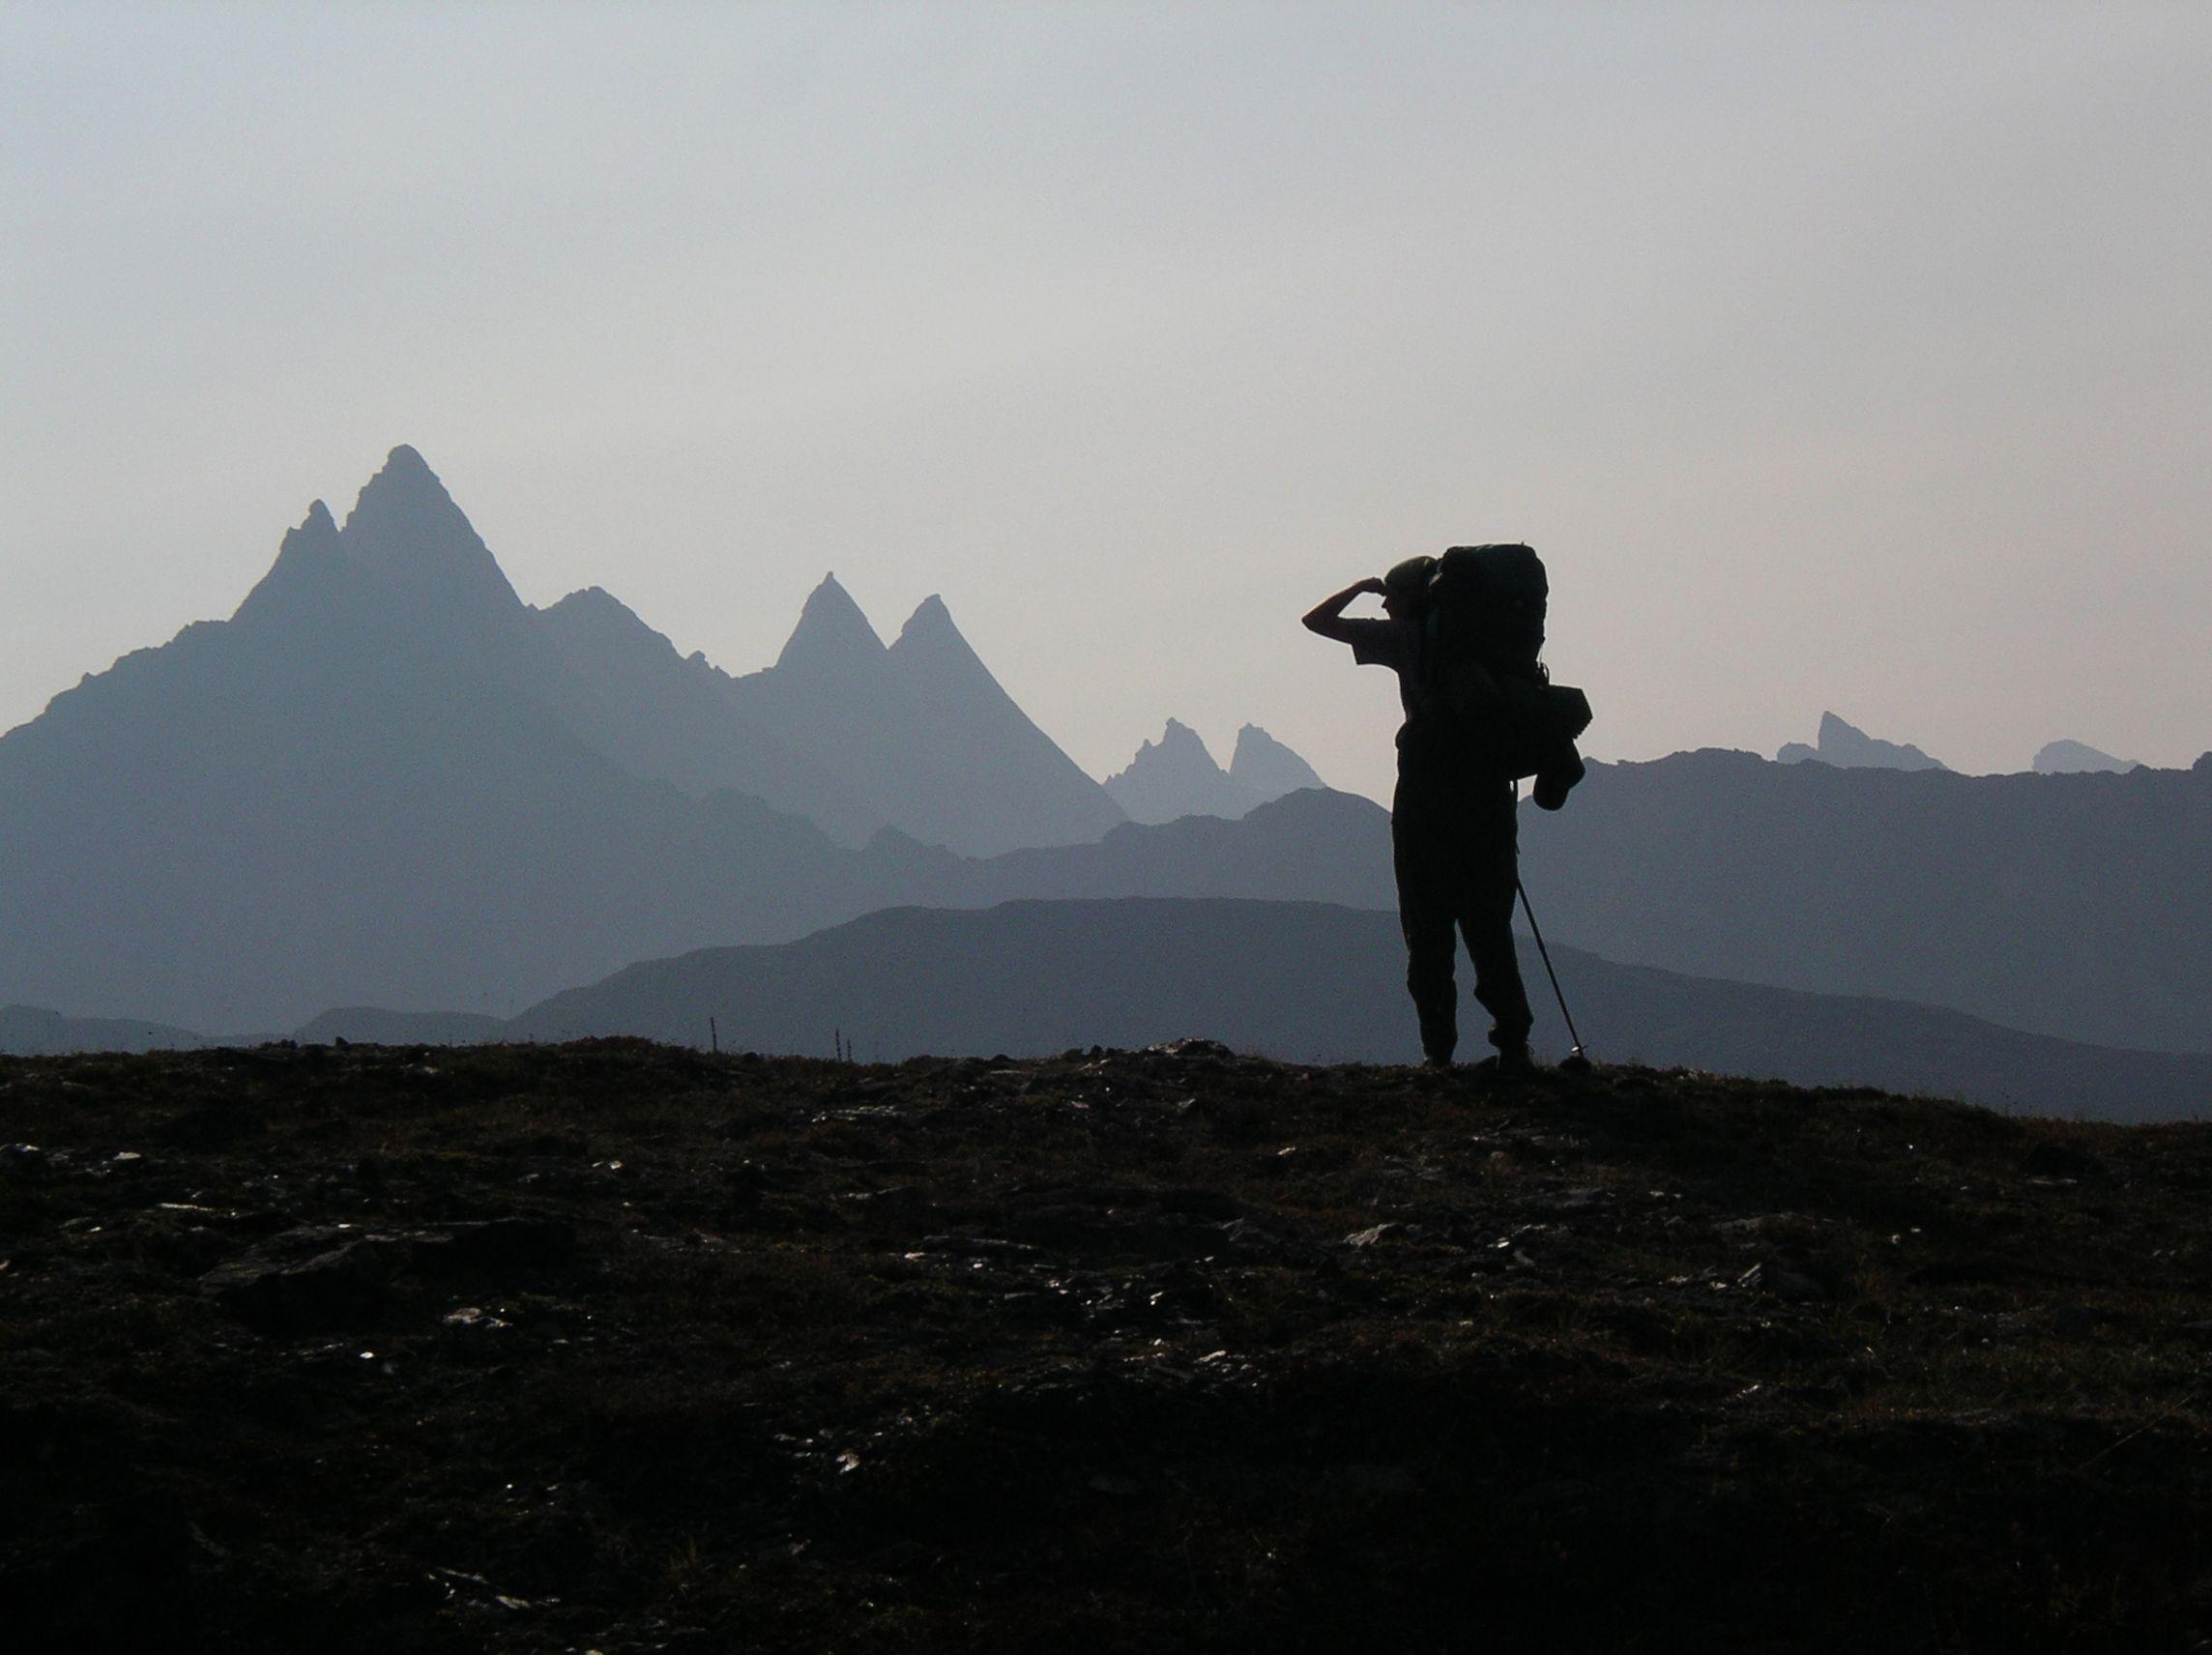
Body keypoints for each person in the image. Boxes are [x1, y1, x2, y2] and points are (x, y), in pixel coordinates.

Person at [1305, 557, 1573, 1076]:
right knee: (1489, 929)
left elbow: (1316, 623)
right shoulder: (1493, 652)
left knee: (1428, 933)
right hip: (1489, 799)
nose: (1386, 605)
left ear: (1412, 599)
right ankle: (1513, 1045)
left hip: (1426, 801)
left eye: (1391, 597)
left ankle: (1438, 1054)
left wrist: (1359, 588)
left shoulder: (1406, 641)